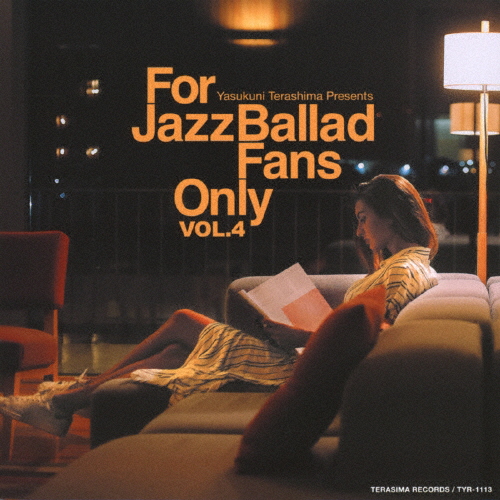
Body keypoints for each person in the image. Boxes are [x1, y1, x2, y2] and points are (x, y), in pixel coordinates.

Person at [0, 174, 439, 437]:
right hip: (307, 355)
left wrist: (299, 333)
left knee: (182, 320)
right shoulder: (404, 264)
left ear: (391, 215)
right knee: (175, 353)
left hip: (299, 366)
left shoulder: (404, 270)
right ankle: (65, 403)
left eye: (363, 218)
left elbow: (376, 337)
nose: (359, 230)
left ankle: (64, 402)